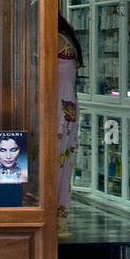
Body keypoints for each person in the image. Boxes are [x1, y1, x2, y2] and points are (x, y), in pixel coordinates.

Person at [57, 13, 83, 237]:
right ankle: (59, 216)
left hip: (57, 106)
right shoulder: (68, 38)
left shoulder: (55, 39)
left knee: (54, 161)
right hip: (68, 104)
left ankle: (52, 213)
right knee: (63, 161)